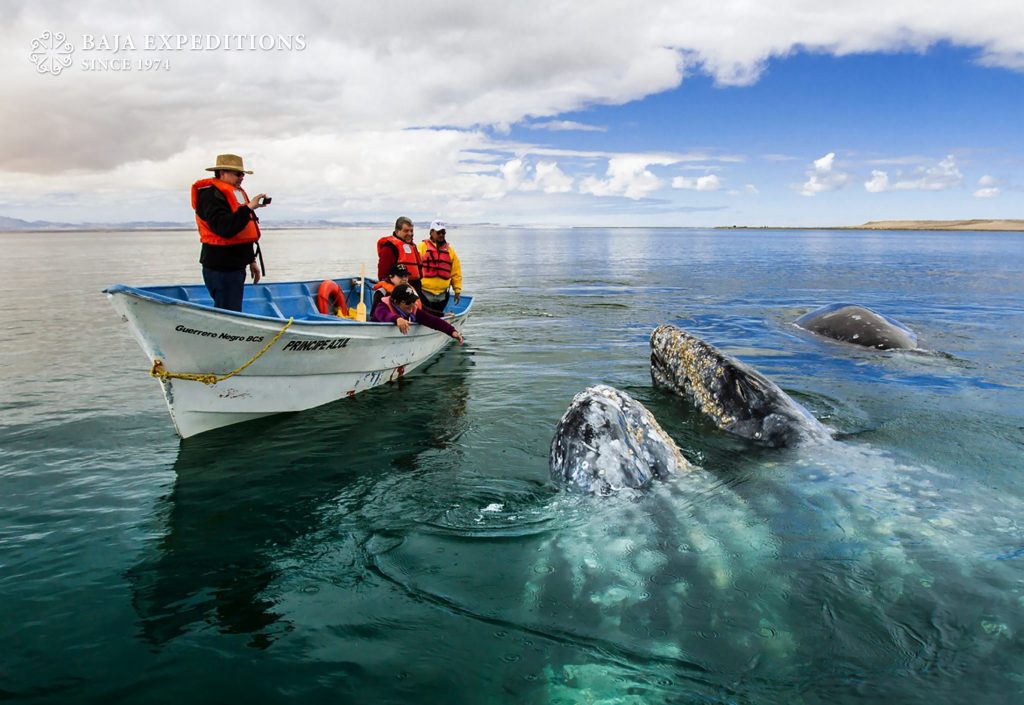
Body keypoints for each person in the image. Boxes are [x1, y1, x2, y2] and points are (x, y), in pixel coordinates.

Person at [191, 154, 269, 311]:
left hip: (235, 265)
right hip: (220, 267)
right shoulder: (211, 196)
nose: (242, 178)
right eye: (238, 174)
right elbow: (224, 229)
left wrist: (251, 259)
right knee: (228, 312)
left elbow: (241, 232)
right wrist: (247, 208)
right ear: (222, 173)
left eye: (243, 174)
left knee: (233, 309)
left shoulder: (235, 193)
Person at [371, 283, 464, 344]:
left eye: (413, 301)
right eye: (407, 302)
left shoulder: (413, 310)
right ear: (395, 302)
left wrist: (452, 331)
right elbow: (384, 315)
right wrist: (397, 319)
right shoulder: (382, 307)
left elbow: (432, 320)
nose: (412, 305)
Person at [418, 219, 462, 316]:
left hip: (442, 295)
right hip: (424, 292)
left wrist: (457, 290)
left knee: (437, 317)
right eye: (438, 232)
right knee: (427, 316)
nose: (441, 235)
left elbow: (456, 272)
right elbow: (414, 267)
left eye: (443, 232)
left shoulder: (450, 251)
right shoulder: (421, 247)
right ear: (431, 232)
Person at [377, 216, 422, 294]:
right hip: (399, 294)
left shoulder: (413, 247)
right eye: (406, 231)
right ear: (397, 231)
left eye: (411, 231)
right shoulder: (389, 248)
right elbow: (383, 276)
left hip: (414, 291)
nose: (410, 234)